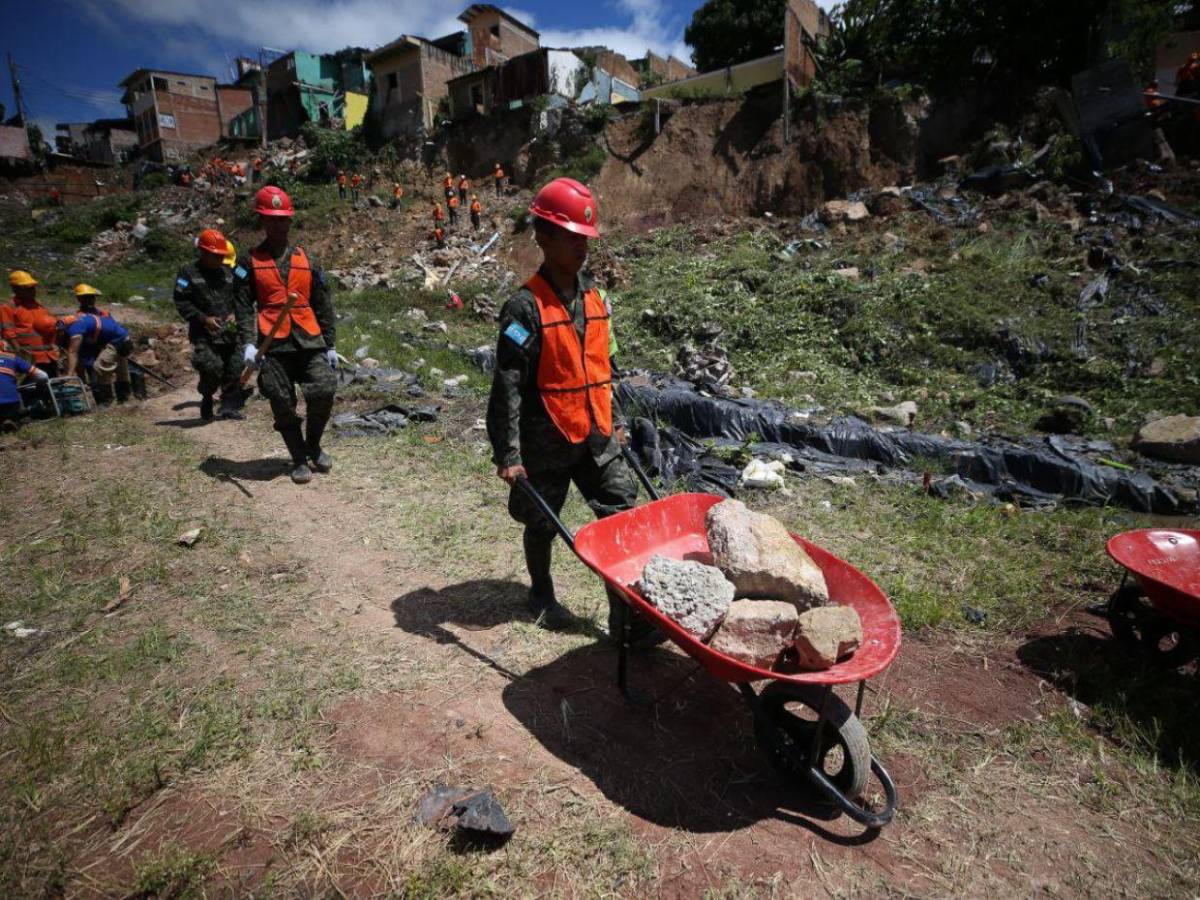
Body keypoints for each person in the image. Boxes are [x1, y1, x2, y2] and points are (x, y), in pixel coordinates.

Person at [487, 177, 654, 638]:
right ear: (543, 236)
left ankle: (628, 620)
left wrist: (617, 419)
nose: (582, 247)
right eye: (571, 237)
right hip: (548, 437)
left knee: (621, 513)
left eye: (586, 238)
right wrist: (509, 452)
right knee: (542, 520)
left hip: (597, 433)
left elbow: (605, 365)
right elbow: (507, 385)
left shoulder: (597, 298)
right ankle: (540, 592)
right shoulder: (523, 309)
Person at [234, 186, 338, 485]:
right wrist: (249, 344)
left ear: (289, 221)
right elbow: (242, 306)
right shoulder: (247, 262)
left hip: (309, 339)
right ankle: (297, 458)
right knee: (280, 398)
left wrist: (330, 344)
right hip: (273, 343)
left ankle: (313, 444)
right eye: (271, 219)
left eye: (282, 219)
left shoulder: (308, 259)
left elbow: (323, 304)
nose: (278, 225)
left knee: (323, 388)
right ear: (262, 222)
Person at [174, 228, 246, 422]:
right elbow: (181, 301)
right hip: (203, 333)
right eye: (214, 255)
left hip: (229, 333)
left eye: (221, 256)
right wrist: (203, 318)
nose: (218, 259)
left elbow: (245, 292)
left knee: (235, 367)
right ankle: (207, 396)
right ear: (203, 252)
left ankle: (229, 407)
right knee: (212, 367)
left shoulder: (231, 271)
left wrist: (235, 314)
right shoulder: (187, 272)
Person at [63, 309, 134, 404]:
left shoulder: (75, 329)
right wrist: (82, 379)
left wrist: (69, 375)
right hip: (121, 338)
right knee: (121, 370)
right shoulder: (82, 321)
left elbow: (73, 352)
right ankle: (124, 399)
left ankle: (108, 400)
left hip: (118, 340)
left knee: (99, 367)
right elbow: (79, 357)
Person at [2, 270, 61, 377]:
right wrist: (19, 354)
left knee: (51, 387)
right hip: (30, 359)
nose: (32, 291)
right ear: (15, 289)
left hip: (49, 356)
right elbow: (8, 332)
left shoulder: (39, 306)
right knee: (32, 390)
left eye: (33, 288)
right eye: (28, 289)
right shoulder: (9, 308)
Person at [0, 340, 50, 430]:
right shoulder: (12, 358)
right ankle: (11, 418)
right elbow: (43, 376)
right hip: (11, 402)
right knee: (13, 411)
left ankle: (6, 420)